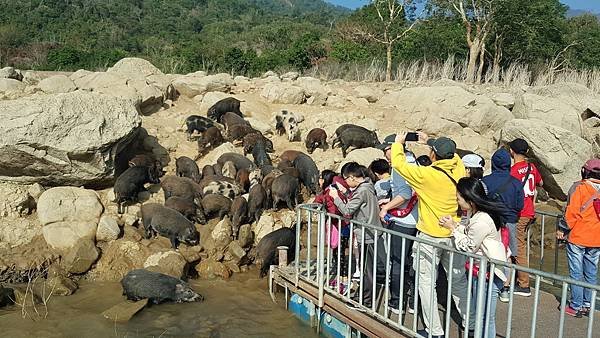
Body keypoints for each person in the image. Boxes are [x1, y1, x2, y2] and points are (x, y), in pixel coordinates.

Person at [391, 132, 468, 337]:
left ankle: (435, 330)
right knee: (458, 281)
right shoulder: (459, 170)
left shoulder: (426, 175)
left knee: (426, 284)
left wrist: (398, 144)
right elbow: (455, 156)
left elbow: (399, 165)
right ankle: (472, 323)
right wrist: (431, 143)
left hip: (430, 236)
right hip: (454, 232)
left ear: (433, 155)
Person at [439, 177, 509, 338]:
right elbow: (472, 233)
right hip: (482, 271)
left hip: (488, 273)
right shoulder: (477, 213)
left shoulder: (482, 219)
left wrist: (452, 229)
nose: (457, 201)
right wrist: (456, 225)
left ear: (469, 199)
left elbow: (469, 246)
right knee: (482, 315)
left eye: (458, 198)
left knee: (485, 318)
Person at [329, 162, 385, 308]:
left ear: (353, 177)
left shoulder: (362, 191)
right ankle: (362, 296)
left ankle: (364, 302)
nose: (346, 182)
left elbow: (347, 210)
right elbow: (359, 202)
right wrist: (346, 192)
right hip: (373, 231)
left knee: (367, 269)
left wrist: (336, 197)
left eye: (346, 179)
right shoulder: (368, 185)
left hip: (367, 234)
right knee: (367, 267)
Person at [377, 134, 419, 315]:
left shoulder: (399, 165)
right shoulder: (413, 161)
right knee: (411, 263)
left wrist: (386, 207)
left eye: (386, 150)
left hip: (402, 221)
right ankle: (412, 303)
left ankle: (397, 303)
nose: (385, 155)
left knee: (397, 262)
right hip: (415, 219)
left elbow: (405, 194)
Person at [557, 159, 600, 317]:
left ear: (585, 171)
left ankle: (575, 305)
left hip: (579, 237)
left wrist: (562, 228)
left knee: (576, 272)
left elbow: (571, 213)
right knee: (591, 272)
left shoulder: (579, 188)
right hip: (596, 239)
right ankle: (588, 304)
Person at [481, 148, 524, 302]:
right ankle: (505, 287)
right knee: (509, 253)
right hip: (510, 221)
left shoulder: (485, 181)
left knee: (487, 250)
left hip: (490, 221)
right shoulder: (516, 183)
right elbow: (520, 205)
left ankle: (486, 283)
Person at [509, 138, 543, 297]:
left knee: (519, 247)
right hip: (529, 210)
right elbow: (540, 182)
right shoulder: (532, 167)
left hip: (519, 213)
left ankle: (523, 284)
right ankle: (519, 279)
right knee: (521, 244)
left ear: (511, 151)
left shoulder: (513, 171)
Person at [313, 170, 351, 289]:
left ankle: (344, 282)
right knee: (338, 253)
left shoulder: (330, 192)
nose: (318, 181)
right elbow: (319, 199)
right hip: (342, 224)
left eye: (320, 178)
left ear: (324, 179)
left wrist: (328, 216)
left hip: (341, 225)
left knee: (340, 254)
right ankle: (341, 279)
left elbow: (334, 210)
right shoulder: (330, 190)